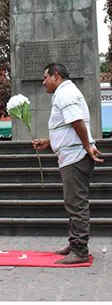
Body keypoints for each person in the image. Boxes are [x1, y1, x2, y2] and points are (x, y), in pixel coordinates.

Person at [33, 62, 103, 264]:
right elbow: (67, 125)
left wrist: (87, 145)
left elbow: (76, 121)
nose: (43, 82)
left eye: (45, 77)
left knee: (76, 203)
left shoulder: (65, 93)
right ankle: (75, 244)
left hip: (75, 157)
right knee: (72, 202)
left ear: (56, 76)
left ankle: (80, 250)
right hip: (72, 155)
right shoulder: (65, 93)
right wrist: (49, 141)